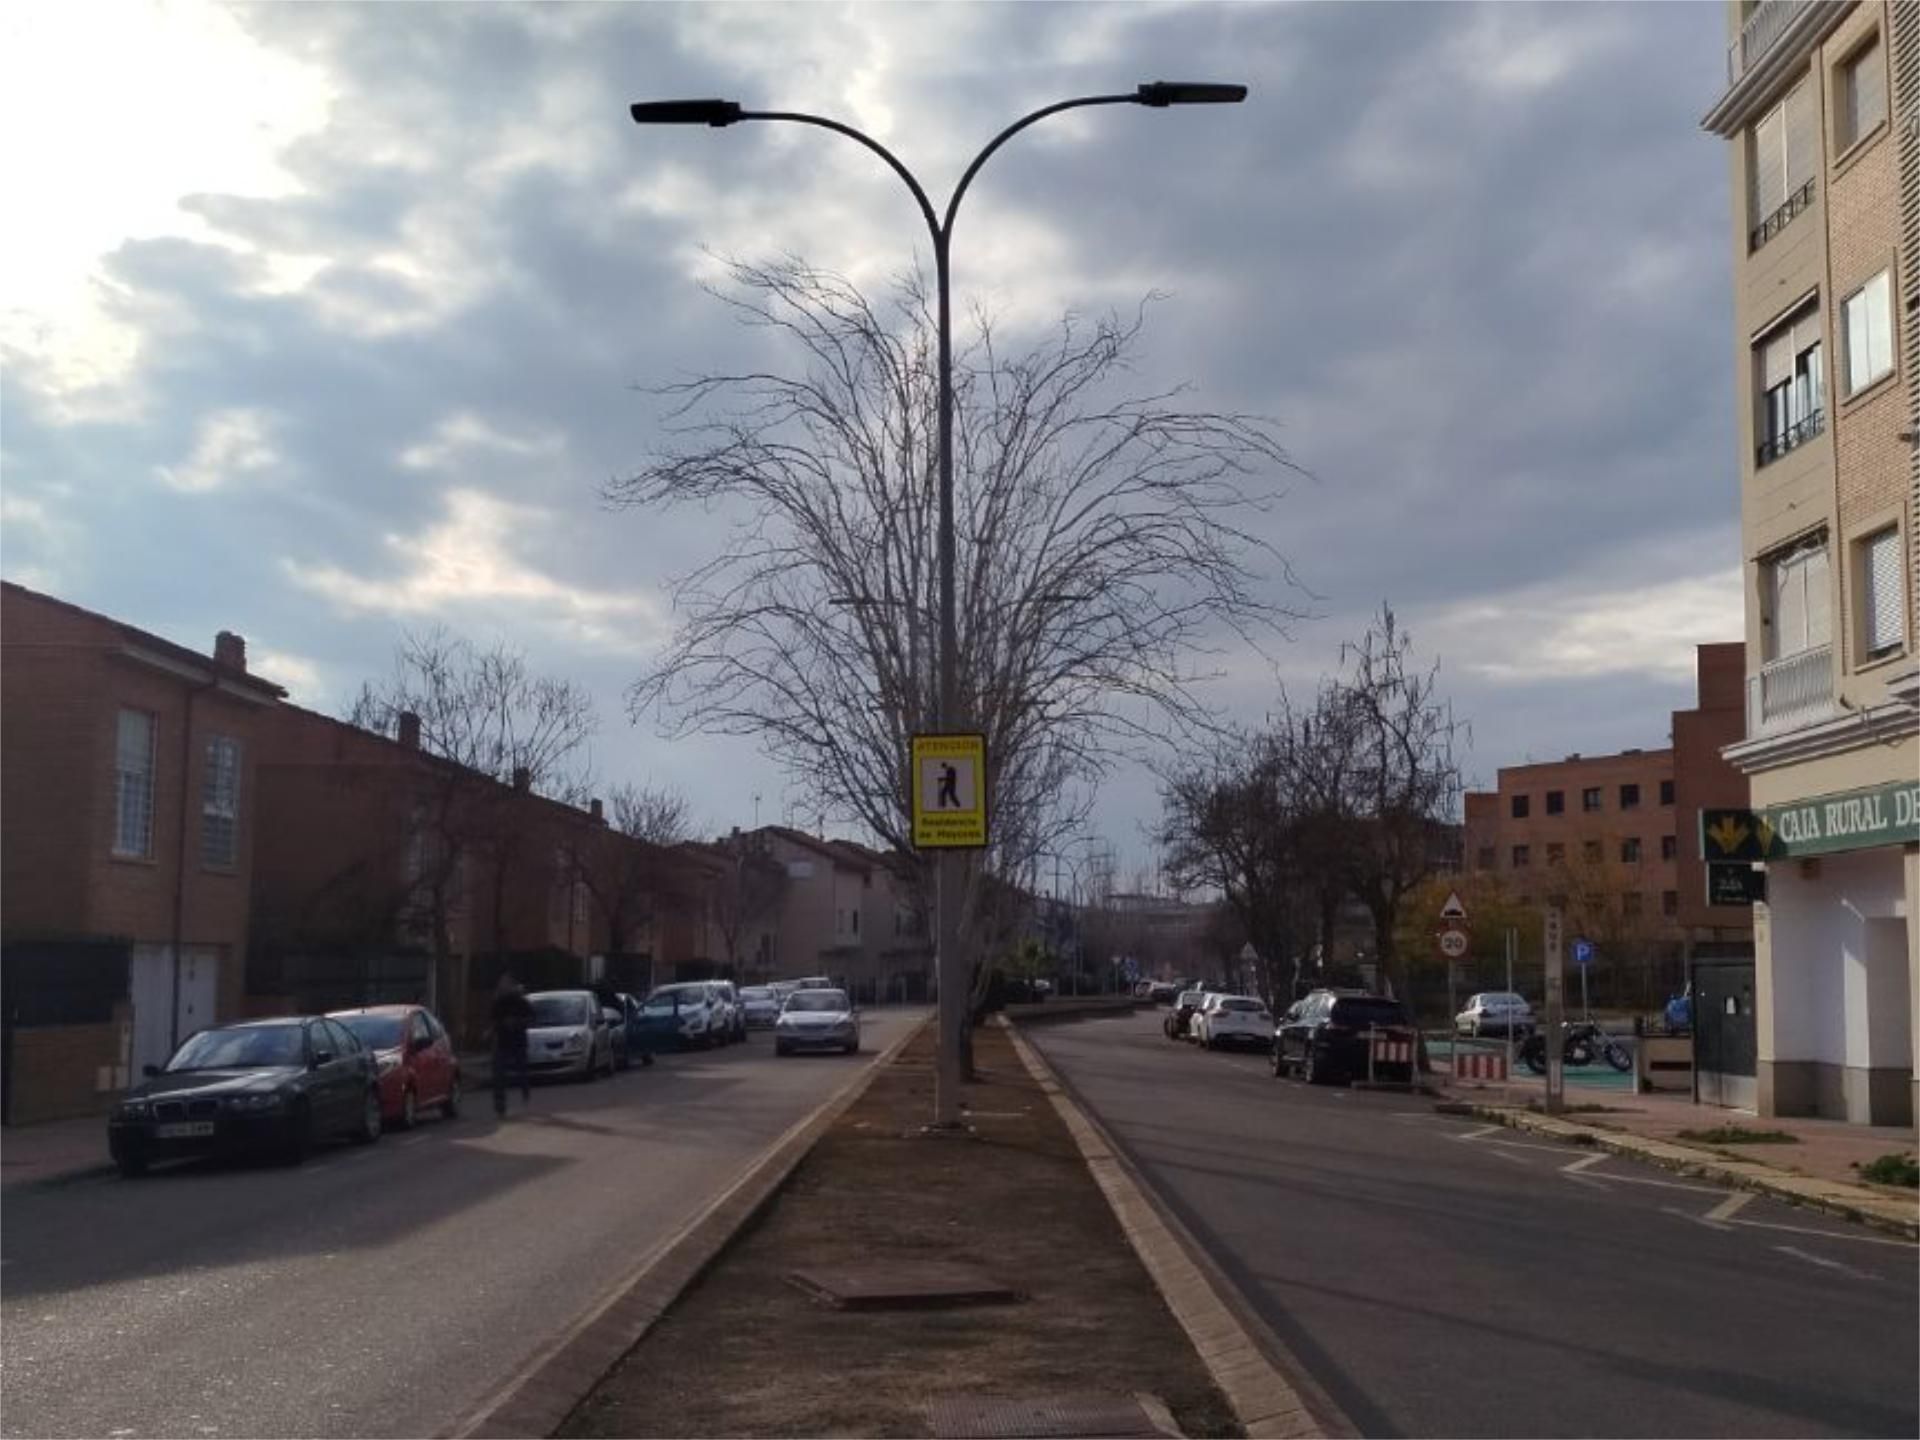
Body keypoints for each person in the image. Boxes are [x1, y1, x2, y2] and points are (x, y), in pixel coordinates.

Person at [490, 973, 534, 1117]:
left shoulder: (521, 1002)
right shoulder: (498, 1002)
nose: (504, 987)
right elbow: (493, 1020)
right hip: (503, 1042)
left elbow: (531, 1018)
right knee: (499, 1074)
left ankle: (525, 1089)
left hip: (518, 1041)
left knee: (522, 1072)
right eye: (502, 984)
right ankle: (500, 1104)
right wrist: (496, 1027)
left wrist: (517, 1022)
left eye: (507, 984)